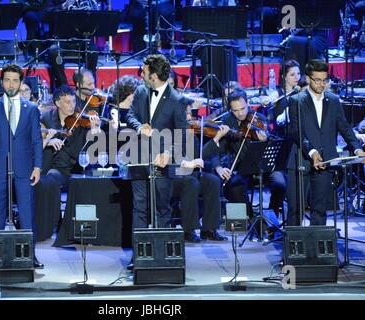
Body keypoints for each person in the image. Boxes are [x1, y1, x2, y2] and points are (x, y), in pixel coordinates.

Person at [286, 59, 365, 226]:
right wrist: (313, 152)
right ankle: (294, 248)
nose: (322, 84)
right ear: (308, 79)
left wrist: (357, 150)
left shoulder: (334, 100)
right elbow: (296, 132)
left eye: (325, 80)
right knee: (295, 209)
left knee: (320, 209)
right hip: (301, 160)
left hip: (327, 160)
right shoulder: (297, 100)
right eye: (318, 80)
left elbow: (345, 128)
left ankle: (317, 249)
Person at [0, 63, 44, 268]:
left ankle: (29, 256)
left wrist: (38, 167)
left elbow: (36, 140)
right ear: (1, 81)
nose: (11, 84)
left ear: (21, 82)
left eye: (15, 80)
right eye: (7, 79)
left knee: (27, 214)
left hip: (25, 168)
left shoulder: (31, 108)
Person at [126, 54, 188, 262]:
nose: (140, 74)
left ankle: (160, 255)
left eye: (143, 71)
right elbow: (131, 115)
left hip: (163, 160)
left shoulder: (178, 100)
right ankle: (139, 256)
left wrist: (169, 153)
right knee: (139, 206)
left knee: (162, 207)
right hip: (139, 156)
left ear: (153, 75)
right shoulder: (141, 91)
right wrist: (138, 126)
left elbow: (181, 134)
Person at [203, 89, 286, 236]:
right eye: (235, 110)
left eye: (243, 108)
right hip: (241, 168)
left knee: (280, 183)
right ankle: (252, 219)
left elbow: (274, 145)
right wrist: (218, 167)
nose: (240, 113)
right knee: (233, 185)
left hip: (263, 167)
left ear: (248, 103)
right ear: (230, 109)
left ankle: (272, 217)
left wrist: (265, 141)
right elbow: (215, 147)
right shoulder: (227, 121)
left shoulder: (259, 120)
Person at [40, 85, 100, 191]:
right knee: (51, 173)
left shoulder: (81, 122)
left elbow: (88, 153)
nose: (72, 106)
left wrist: (94, 132)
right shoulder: (45, 118)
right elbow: (34, 144)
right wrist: (48, 140)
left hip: (72, 171)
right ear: (57, 103)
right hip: (49, 167)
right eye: (68, 102)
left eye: (74, 101)